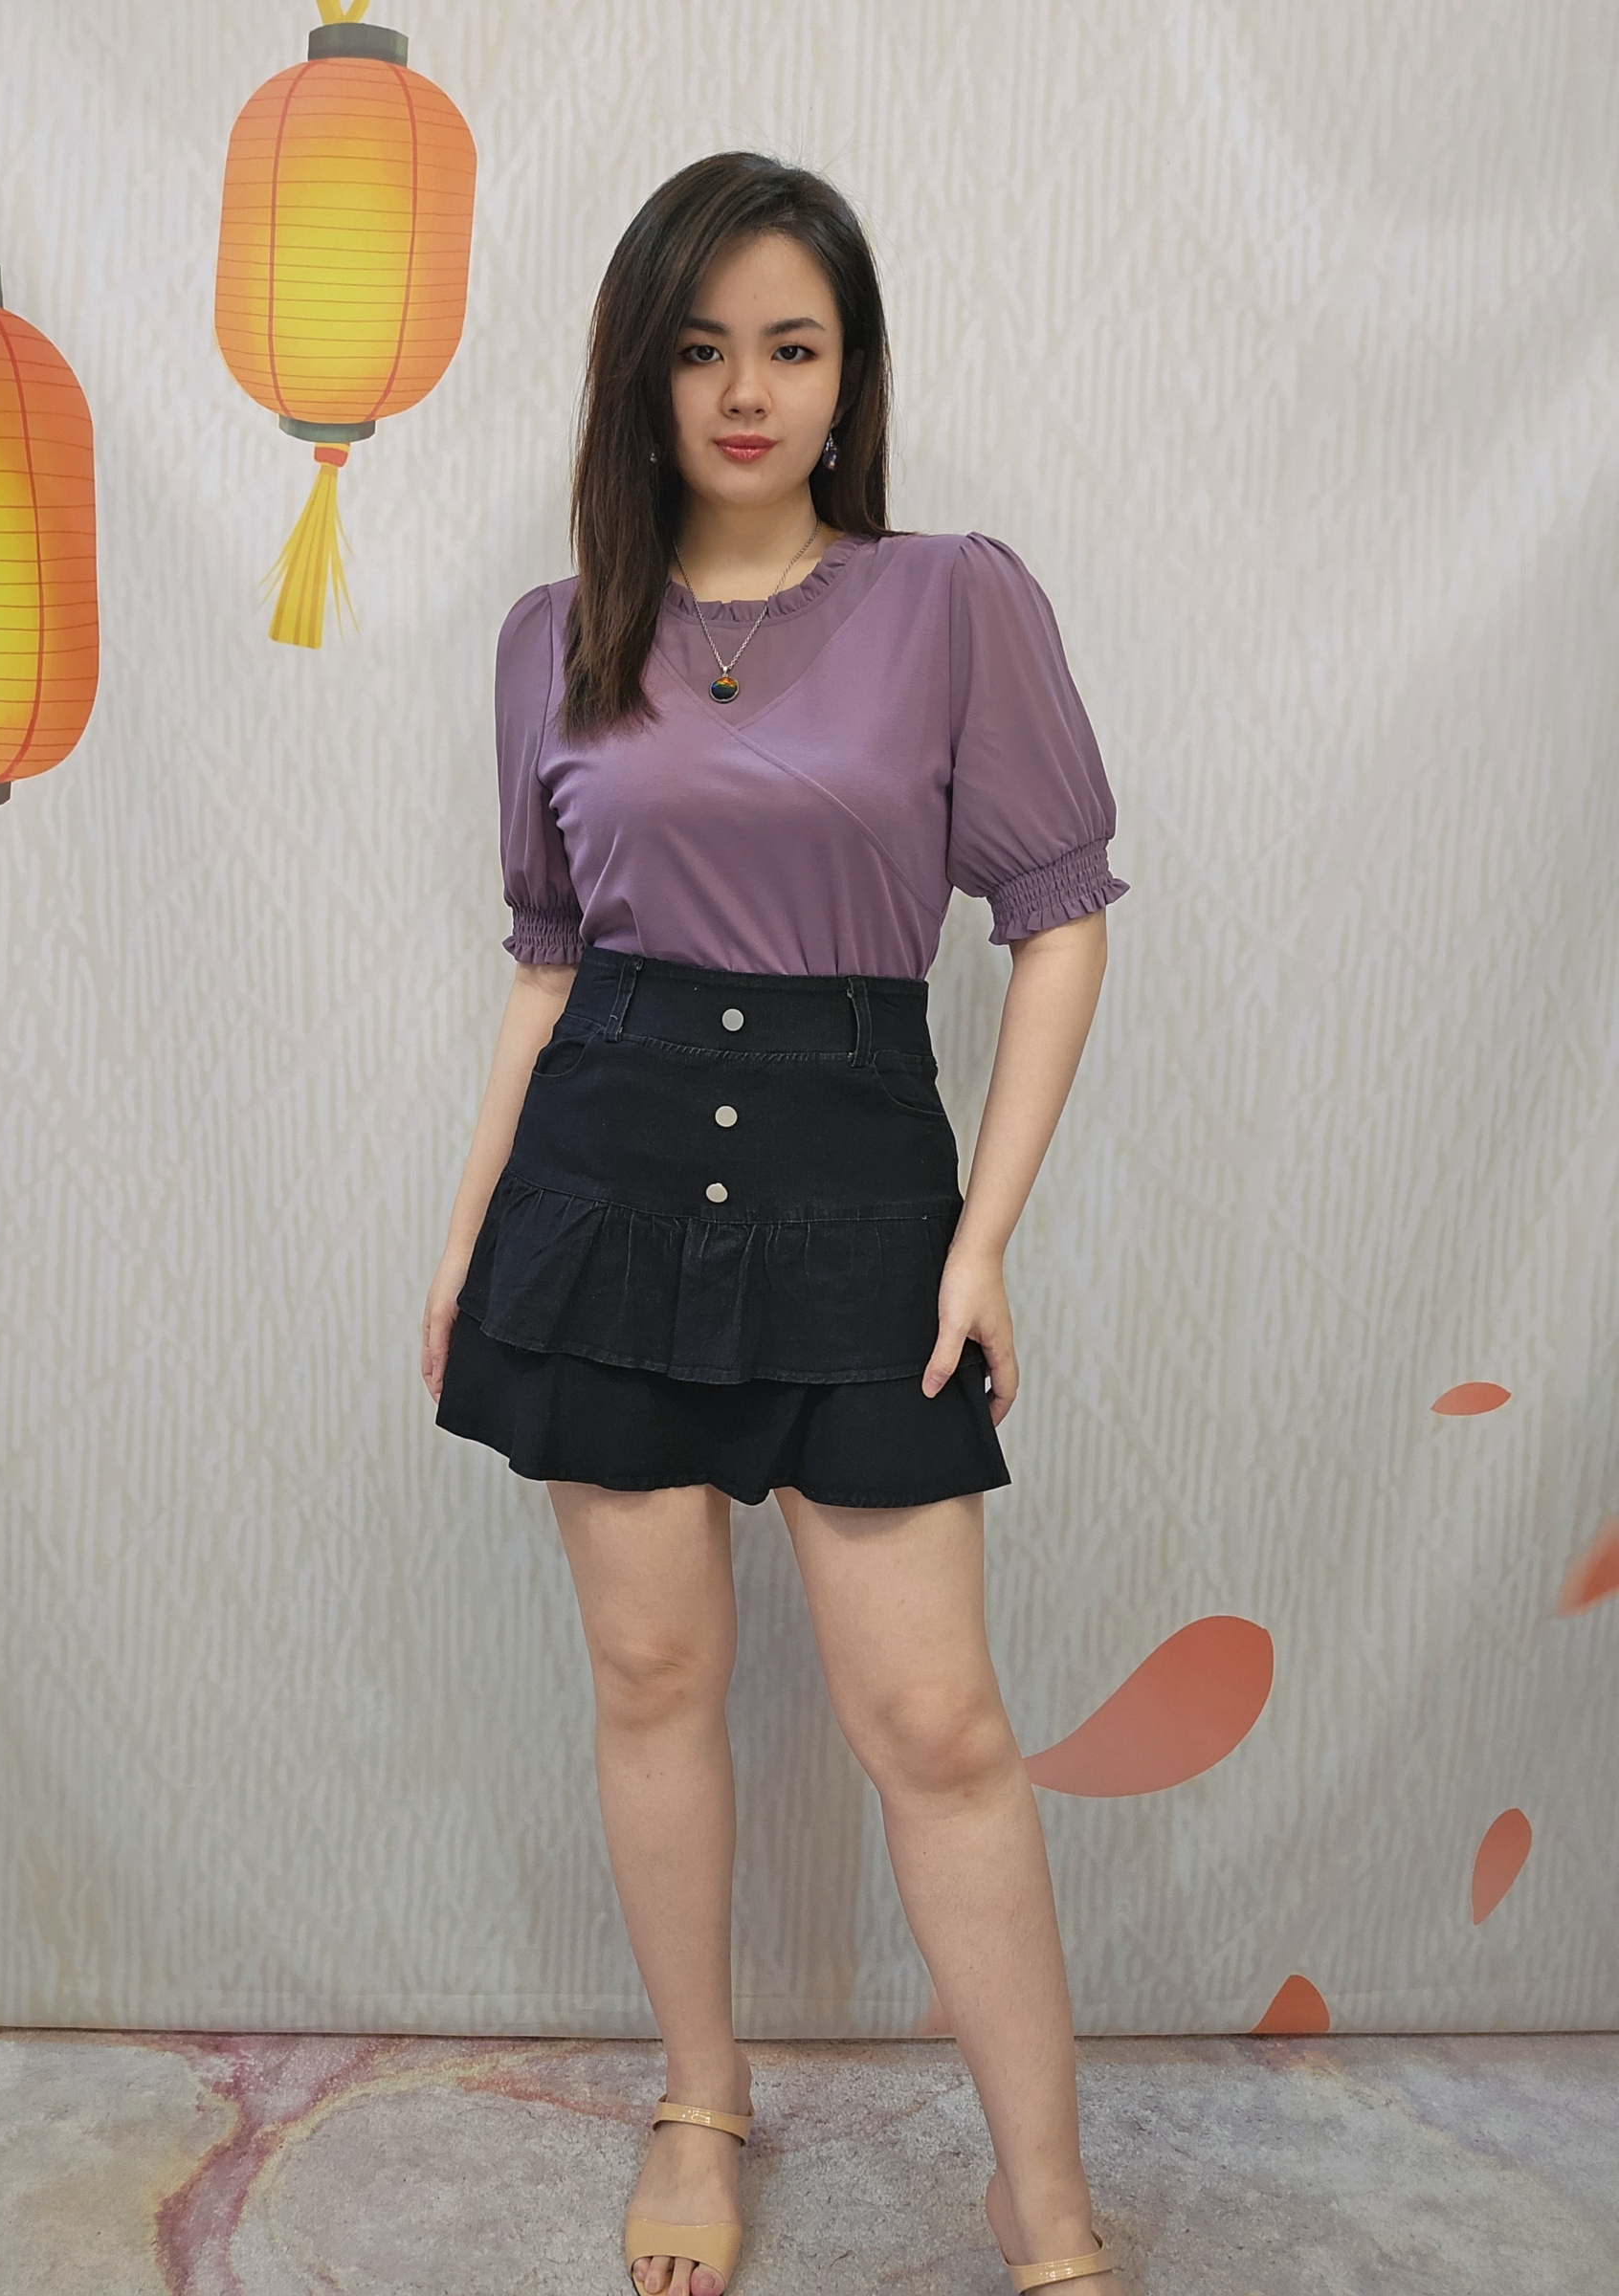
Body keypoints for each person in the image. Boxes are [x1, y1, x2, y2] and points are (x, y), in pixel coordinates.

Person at [423, 149, 1132, 2296]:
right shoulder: (553, 637)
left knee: (937, 1723)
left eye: (793, 348)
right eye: (703, 349)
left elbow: (1058, 918)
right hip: (610, 1171)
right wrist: (470, 1239)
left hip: (857, 1178)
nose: (747, 392)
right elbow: (550, 966)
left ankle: (1042, 2192)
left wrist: (981, 1240)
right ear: (639, 379)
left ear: (849, 375)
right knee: (653, 1675)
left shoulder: (953, 601)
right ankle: (701, 2098)